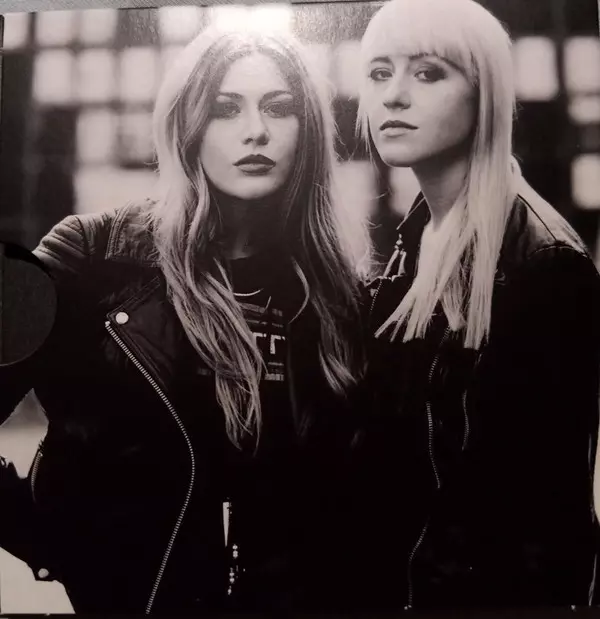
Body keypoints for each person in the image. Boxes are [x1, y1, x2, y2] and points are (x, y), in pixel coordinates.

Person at [0, 25, 368, 613]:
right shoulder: (91, 257)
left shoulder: (337, 293)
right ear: (187, 124)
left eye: (280, 108)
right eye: (225, 109)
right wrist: (54, 543)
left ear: (310, 131)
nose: (256, 130)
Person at [349, 0, 600, 610]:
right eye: (379, 73)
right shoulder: (412, 242)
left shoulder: (543, 265)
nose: (393, 95)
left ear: (484, 94)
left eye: (428, 73)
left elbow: (549, 524)